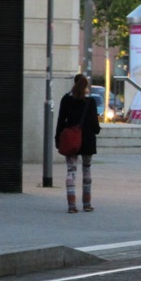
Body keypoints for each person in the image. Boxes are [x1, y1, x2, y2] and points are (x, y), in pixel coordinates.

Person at [54, 73, 101, 213]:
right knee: (87, 169)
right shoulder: (90, 101)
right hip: (87, 140)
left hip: (71, 139)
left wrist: (58, 138)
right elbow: (95, 125)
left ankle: (72, 205)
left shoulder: (66, 99)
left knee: (71, 171)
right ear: (86, 85)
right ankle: (87, 203)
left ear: (74, 83)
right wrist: (96, 130)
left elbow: (61, 120)